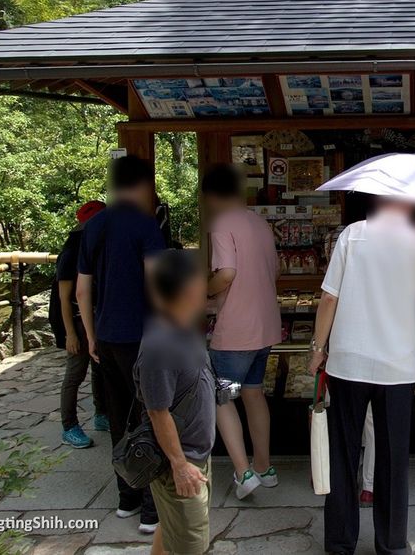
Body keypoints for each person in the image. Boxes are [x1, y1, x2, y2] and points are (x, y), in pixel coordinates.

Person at [308, 196, 415, 555]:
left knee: (343, 455)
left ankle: (339, 543)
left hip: (348, 361)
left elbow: (329, 298)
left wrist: (318, 348)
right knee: (393, 458)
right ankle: (392, 544)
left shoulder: (352, 235)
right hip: (397, 364)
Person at [78, 155, 166, 534]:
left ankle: (126, 498)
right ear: (143, 185)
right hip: (141, 335)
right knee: (150, 416)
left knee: (118, 419)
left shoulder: (94, 226)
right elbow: (157, 286)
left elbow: (83, 289)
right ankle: (151, 508)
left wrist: (90, 335)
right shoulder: (147, 227)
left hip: (106, 335)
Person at [202, 164, 282, 499]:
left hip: (235, 328)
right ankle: (264, 466)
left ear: (210, 196)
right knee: (253, 393)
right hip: (266, 325)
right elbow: (274, 270)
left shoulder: (222, 223)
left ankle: (242, 472)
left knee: (221, 397)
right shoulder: (259, 222)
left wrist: (203, 290)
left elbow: (227, 273)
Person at [135, 249, 216, 555]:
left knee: (171, 529)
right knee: (190, 544)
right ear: (187, 289)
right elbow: (158, 411)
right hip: (180, 463)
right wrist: (180, 465)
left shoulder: (182, 327)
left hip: (195, 455)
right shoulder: (161, 344)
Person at [52, 200, 109, 449]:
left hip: (96, 317)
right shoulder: (71, 253)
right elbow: (65, 298)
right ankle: (69, 426)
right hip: (76, 320)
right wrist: (70, 334)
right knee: (75, 373)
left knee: (99, 369)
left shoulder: (96, 247)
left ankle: (101, 414)